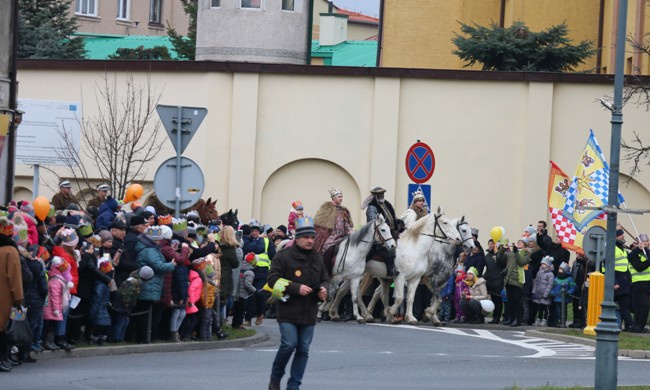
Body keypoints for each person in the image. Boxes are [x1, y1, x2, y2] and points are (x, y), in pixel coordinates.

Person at [267, 216, 329, 390]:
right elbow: (272, 280)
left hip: (309, 311)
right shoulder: (283, 257)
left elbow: (325, 279)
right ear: (297, 238)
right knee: (289, 344)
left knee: (303, 349)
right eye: (306, 238)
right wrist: (295, 288)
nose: (310, 241)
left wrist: (325, 290)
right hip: (288, 310)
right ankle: (275, 377)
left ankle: (294, 385)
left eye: (312, 238)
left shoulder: (317, 258)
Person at [0, 217, 24, 372]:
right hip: (5, 297)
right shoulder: (10, 251)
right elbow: (14, 276)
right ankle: (2, 358)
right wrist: (19, 298)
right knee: (4, 330)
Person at [361, 186, 400, 276]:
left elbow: (392, 217)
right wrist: (384, 226)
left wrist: (398, 222)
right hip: (378, 235)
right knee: (389, 249)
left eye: (382, 194)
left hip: (389, 232)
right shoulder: (372, 207)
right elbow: (372, 221)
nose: (381, 195)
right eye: (379, 194)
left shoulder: (386, 204)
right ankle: (391, 269)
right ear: (375, 195)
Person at [243, 222, 276, 326]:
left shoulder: (266, 241)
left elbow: (273, 256)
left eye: (256, 231)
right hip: (250, 271)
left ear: (260, 232)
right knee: (249, 295)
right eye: (252, 231)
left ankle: (260, 314)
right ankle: (248, 319)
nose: (254, 233)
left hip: (263, 271)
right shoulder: (248, 241)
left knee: (259, 294)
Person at [497, 238, 531, 327]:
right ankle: (511, 318)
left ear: (525, 245)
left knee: (517, 300)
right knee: (510, 300)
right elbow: (500, 258)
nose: (518, 243)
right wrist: (503, 248)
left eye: (521, 242)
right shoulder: (510, 252)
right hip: (509, 278)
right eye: (518, 241)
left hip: (517, 279)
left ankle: (518, 319)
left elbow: (521, 262)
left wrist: (516, 252)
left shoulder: (526, 253)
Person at [314, 187, 353, 256]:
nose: (341, 198)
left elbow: (347, 223)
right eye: (339, 197)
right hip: (331, 236)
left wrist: (349, 230)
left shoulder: (343, 210)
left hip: (344, 236)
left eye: (342, 197)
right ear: (334, 197)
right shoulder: (326, 209)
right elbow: (321, 224)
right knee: (327, 248)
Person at [628, 233, 650, 333]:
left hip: (647, 283)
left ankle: (637, 326)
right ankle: (639, 326)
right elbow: (639, 267)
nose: (647, 243)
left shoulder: (647, 252)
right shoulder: (634, 254)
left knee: (640, 307)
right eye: (645, 241)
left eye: (648, 241)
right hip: (639, 283)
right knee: (645, 305)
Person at [483, 239, 505, 324]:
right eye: (489, 243)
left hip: (498, 279)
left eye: (493, 243)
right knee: (493, 299)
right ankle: (494, 317)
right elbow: (488, 269)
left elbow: (503, 264)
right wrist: (483, 278)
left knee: (498, 300)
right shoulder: (487, 256)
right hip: (490, 280)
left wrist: (497, 254)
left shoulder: (500, 254)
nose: (491, 245)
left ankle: (497, 317)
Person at [549, 262, 576, 327]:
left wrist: (569, 292)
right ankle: (558, 321)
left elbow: (573, 287)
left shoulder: (569, 279)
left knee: (563, 310)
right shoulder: (556, 279)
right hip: (557, 297)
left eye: (561, 269)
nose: (559, 270)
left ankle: (563, 321)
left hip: (565, 298)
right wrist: (552, 293)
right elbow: (554, 287)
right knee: (557, 311)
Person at [531, 256, 554, 326]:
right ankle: (539, 319)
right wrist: (534, 291)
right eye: (542, 264)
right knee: (539, 307)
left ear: (548, 265)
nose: (542, 265)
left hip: (545, 294)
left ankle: (544, 320)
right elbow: (536, 282)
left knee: (545, 308)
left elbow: (550, 285)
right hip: (538, 293)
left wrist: (546, 294)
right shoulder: (539, 272)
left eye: (544, 264)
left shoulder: (550, 274)